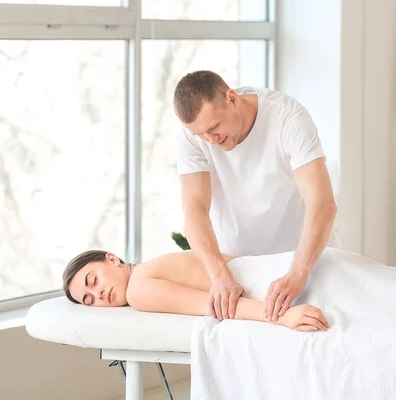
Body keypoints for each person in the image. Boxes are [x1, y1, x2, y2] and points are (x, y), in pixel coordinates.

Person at [172, 70, 339, 323]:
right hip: (240, 272)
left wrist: (297, 273)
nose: (211, 140)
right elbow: (194, 209)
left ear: (231, 98)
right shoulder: (192, 137)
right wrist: (219, 275)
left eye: (214, 127)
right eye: (201, 135)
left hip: (305, 262)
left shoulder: (287, 118)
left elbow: (322, 204)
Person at [63, 248, 331, 332]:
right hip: (294, 268)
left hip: (282, 287)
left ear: (111, 258)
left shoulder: (138, 289)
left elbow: (217, 304)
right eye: (89, 300)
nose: (97, 294)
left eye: (92, 280)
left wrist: (284, 316)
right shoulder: (151, 269)